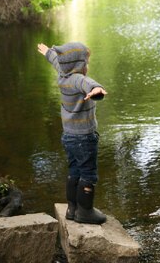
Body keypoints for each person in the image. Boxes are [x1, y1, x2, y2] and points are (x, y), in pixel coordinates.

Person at [37, 41, 107, 224]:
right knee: (88, 173)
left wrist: (48, 52)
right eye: (86, 63)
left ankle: (72, 209)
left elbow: (55, 60)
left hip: (68, 136)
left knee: (75, 170)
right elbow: (88, 83)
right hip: (84, 137)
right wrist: (96, 90)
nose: (88, 66)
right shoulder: (77, 79)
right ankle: (85, 212)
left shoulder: (63, 73)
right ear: (78, 65)